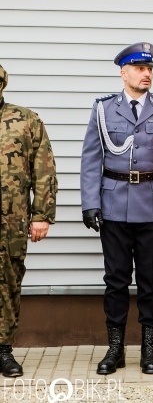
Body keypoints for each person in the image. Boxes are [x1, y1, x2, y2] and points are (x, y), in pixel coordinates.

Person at [80, 42, 153, 375]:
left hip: (152, 205)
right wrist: (90, 203)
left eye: (150, 69)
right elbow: (91, 158)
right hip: (113, 205)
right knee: (115, 281)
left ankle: (149, 350)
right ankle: (115, 349)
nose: (147, 74)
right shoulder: (103, 109)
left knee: (150, 281)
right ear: (123, 73)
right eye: (140, 69)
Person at [0, 65, 57, 378]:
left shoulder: (25, 120)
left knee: (8, 282)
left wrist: (41, 215)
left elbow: (44, 170)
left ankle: (3, 349)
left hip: (12, 221)